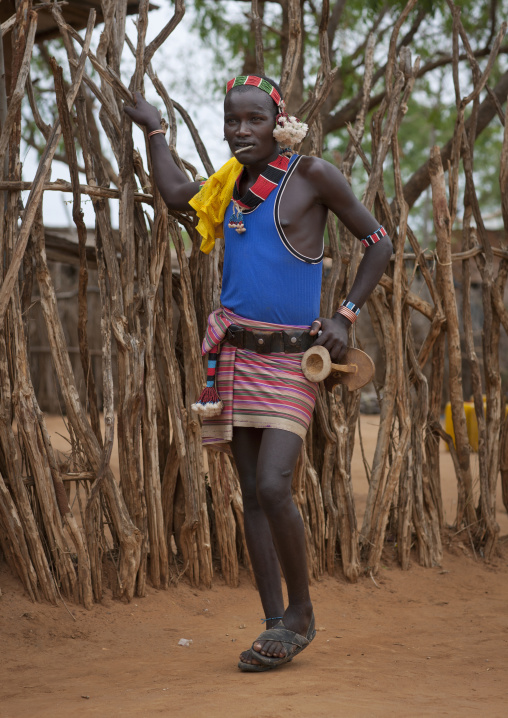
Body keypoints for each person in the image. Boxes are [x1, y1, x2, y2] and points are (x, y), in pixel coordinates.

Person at [124, 75, 392, 672]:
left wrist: (345, 314)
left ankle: (302, 612)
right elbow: (175, 196)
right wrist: (156, 131)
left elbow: (379, 241)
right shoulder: (231, 186)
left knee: (274, 484)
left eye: (254, 120)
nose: (242, 130)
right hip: (236, 353)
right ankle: (275, 624)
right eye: (232, 121)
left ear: (278, 121)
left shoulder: (311, 176)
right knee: (250, 494)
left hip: (295, 360)